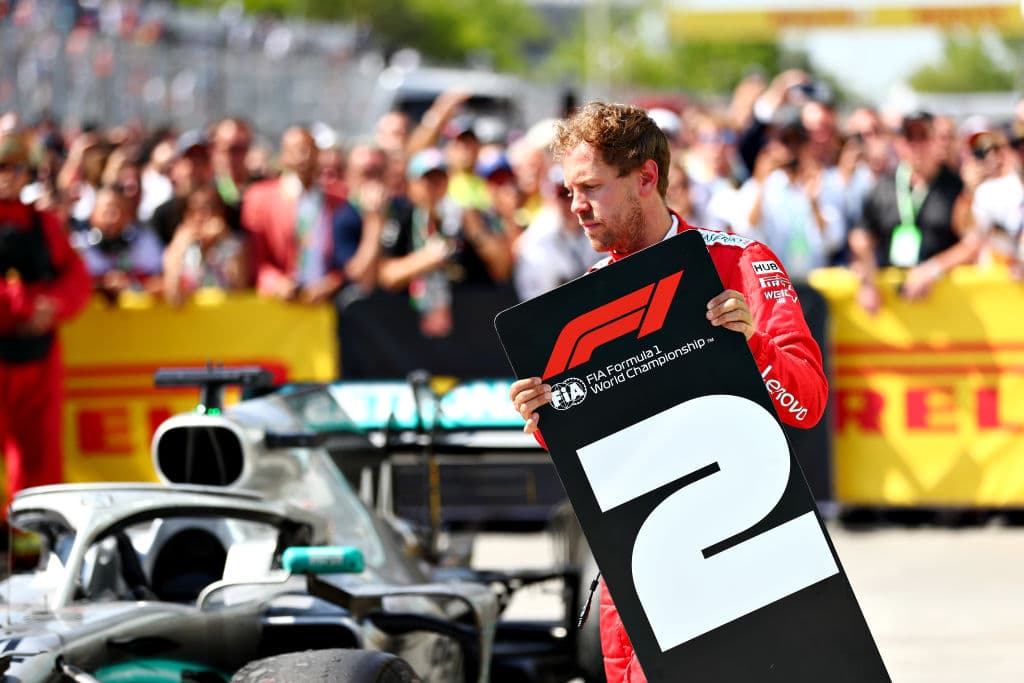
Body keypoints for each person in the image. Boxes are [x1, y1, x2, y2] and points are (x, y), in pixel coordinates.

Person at [506, 102, 828, 683]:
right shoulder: (584, 300)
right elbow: (595, 461)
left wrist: (754, 345)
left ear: (646, 178)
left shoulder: (737, 262)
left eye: (591, 187)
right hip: (642, 573)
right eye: (570, 191)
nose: (575, 206)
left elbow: (808, 405)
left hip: (747, 563)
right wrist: (546, 417)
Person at [0, 132, 91, 517]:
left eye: (16, 168)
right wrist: (23, 307)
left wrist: (52, 306)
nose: (8, 175)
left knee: (41, 454)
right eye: (1, 167)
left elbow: (77, 278)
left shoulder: (44, 223)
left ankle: (33, 537)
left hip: (38, 359)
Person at [849, 111, 979, 315]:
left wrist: (933, 269)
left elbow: (973, 243)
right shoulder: (883, 186)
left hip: (947, 305)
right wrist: (867, 281)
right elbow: (861, 237)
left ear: (936, 140)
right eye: (910, 137)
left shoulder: (955, 187)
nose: (916, 145)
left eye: (923, 136)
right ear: (900, 143)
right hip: (894, 306)